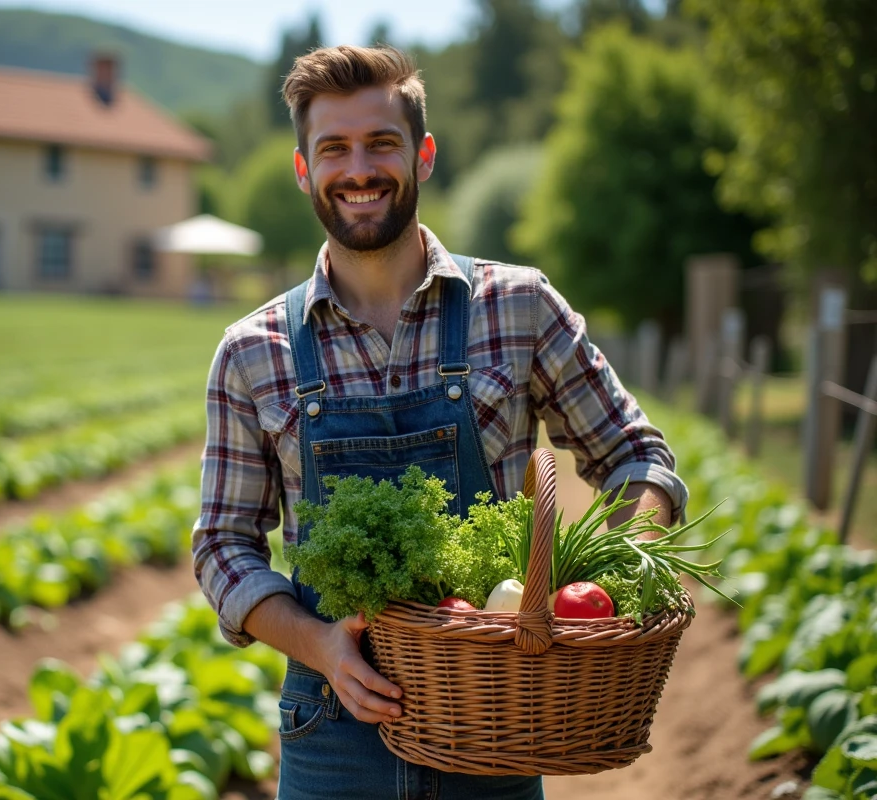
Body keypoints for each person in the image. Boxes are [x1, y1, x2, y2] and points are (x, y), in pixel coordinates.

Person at [192, 44, 687, 800]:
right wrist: (322, 646)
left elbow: (637, 457)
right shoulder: (250, 352)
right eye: (334, 148)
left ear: (421, 155)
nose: (359, 169)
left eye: (382, 143)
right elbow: (224, 547)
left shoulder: (520, 307)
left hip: (499, 724)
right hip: (330, 734)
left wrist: (613, 579)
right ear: (304, 169)